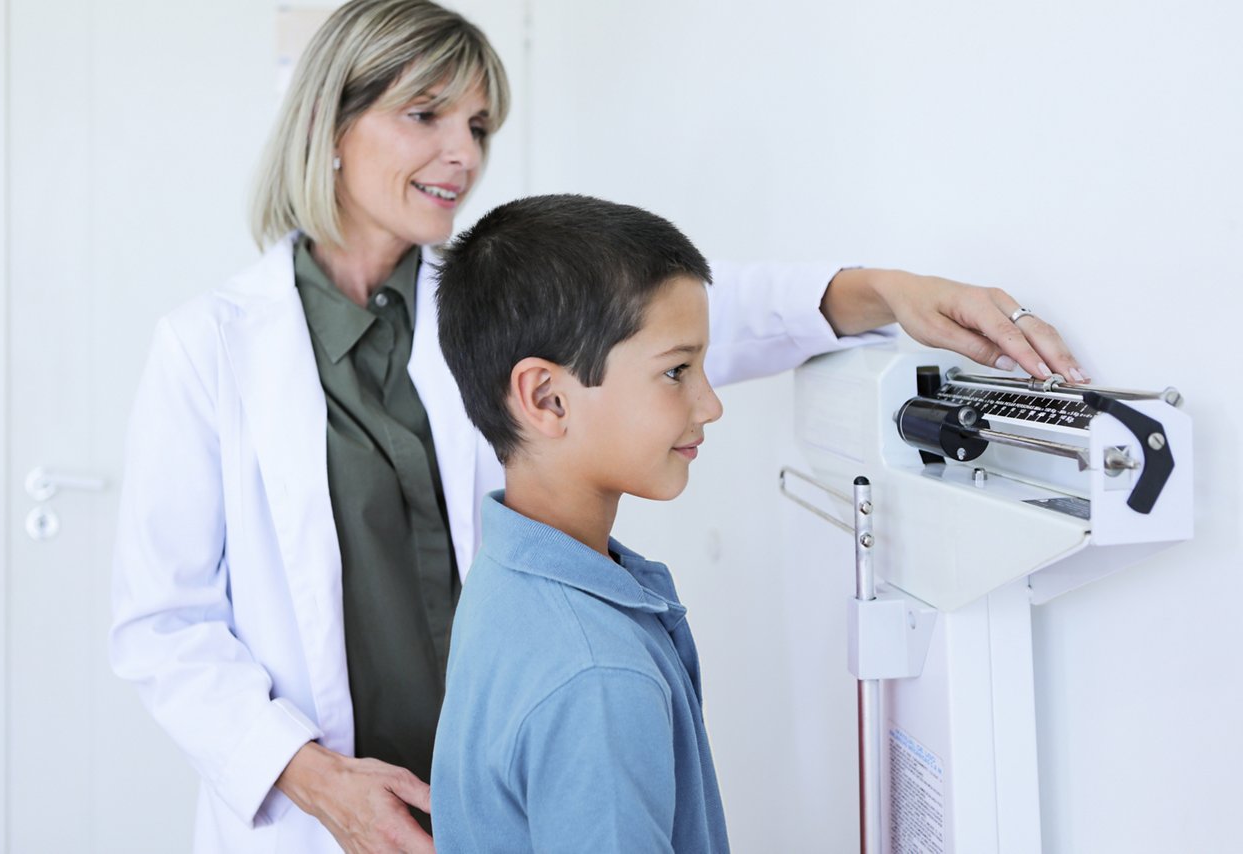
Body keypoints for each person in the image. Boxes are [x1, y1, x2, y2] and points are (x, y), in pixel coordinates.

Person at [107, 1, 1087, 852]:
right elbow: (163, 624)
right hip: (340, 803)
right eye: (425, 115)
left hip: (505, 771)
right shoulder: (210, 347)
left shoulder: (474, 302)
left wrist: (887, 293)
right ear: (330, 124)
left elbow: (666, 324)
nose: (464, 153)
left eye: (479, 124)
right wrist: (314, 780)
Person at [430, 193, 731, 852]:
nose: (709, 405)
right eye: (676, 371)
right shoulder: (597, 678)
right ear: (546, 398)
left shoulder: (509, 578)